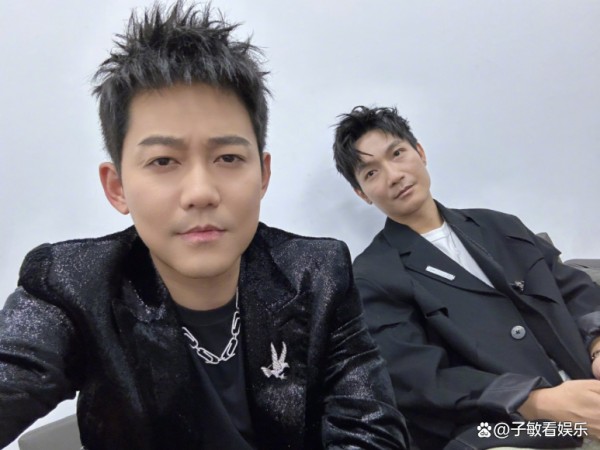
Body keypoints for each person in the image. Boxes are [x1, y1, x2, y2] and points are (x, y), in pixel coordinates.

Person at [0, 5, 409, 449]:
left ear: (263, 175)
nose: (200, 192)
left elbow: (371, 431)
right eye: (163, 161)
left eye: (228, 158)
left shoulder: (319, 274)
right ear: (117, 188)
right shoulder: (72, 287)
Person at [332, 105, 600, 449]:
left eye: (397, 154)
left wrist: (597, 344)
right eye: (371, 173)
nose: (394, 175)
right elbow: (418, 378)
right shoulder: (373, 276)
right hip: (505, 429)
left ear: (420, 152)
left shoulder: (499, 226)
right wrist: (536, 401)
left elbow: (573, 289)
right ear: (361, 193)